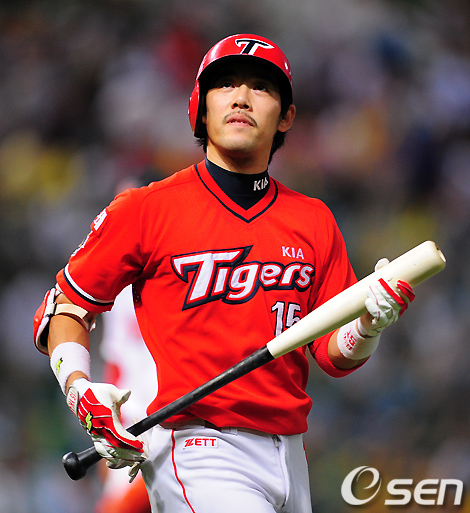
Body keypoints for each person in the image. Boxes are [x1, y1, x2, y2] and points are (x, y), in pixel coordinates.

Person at [33, 34, 415, 513]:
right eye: (226, 84)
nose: (241, 97)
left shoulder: (314, 219)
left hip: (291, 454)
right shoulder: (146, 209)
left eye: (261, 87)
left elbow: (334, 356)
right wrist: (79, 389)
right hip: (197, 447)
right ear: (200, 106)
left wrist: (369, 325)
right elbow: (65, 307)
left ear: (287, 116)